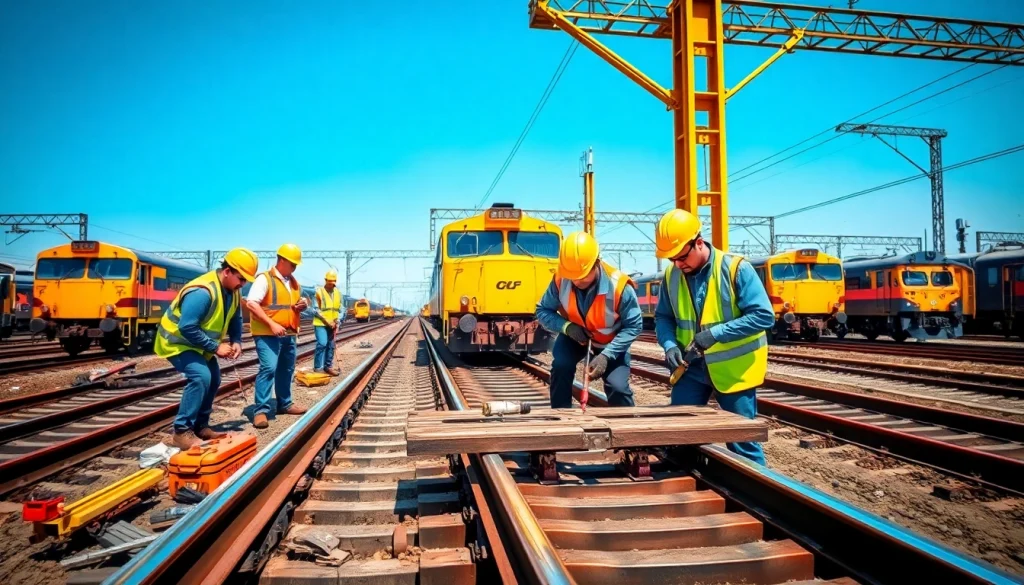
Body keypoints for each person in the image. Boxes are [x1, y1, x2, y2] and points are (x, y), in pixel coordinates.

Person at [653, 209, 775, 465]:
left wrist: (715, 334)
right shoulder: (671, 275)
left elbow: (764, 316)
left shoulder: (736, 269)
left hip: (734, 370)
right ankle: (684, 484)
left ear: (699, 242)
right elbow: (663, 317)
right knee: (679, 434)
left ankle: (758, 494)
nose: (678, 264)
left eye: (682, 257)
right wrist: (668, 344)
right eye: (672, 259)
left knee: (741, 441)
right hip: (691, 367)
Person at [155, 248, 258, 449]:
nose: (243, 284)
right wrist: (215, 346)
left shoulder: (233, 291)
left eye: (246, 280)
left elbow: (236, 318)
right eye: (241, 278)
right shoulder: (203, 291)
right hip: (177, 342)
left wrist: (236, 340)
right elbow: (187, 327)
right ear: (227, 271)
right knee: (201, 376)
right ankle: (182, 431)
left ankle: (201, 426)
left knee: (214, 378)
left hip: (199, 345)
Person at [536, 231, 642, 408]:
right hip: (574, 337)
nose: (576, 281)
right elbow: (542, 310)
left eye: (582, 275)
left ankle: (627, 424)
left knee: (617, 387)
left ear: (597, 263)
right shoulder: (560, 280)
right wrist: (567, 327)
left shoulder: (619, 287)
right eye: (573, 276)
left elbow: (634, 326)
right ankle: (561, 417)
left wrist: (607, 356)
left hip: (611, 343)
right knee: (561, 367)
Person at [246, 243, 309, 429]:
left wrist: (303, 303)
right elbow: (251, 303)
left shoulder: (293, 282)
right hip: (267, 333)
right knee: (269, 368)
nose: (295, 267)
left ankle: (285, 404)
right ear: (281, 260)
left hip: (288, 333)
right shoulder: (264, 279)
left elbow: (296, 301)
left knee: (286, 369)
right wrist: (272, 324)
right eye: (292, 263)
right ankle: (261, 411)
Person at [313, 269, 342, 376]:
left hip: (333, 324)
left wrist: (338, 320)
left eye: (333, 282)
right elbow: (315, 309)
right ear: (325, 280)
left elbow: (341, 308)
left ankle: (328, 366)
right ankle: (317, 367)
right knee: (322, 343)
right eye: (330, 282)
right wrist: (327, 320)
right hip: (321, 323)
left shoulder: (338, 293)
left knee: (331, 345)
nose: (332, 285)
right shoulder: (319, 292)